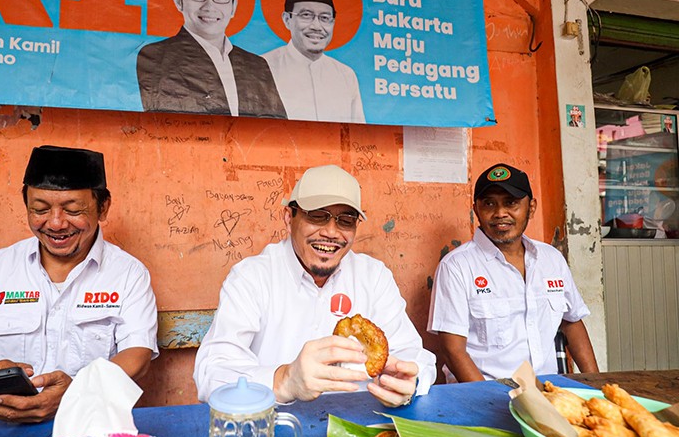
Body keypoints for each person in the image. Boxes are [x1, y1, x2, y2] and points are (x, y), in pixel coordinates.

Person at [0, 145, 159, 422]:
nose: (56, 223)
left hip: (88, 424)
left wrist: (77, 394)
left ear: (103, 207)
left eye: (73, 210)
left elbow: (137, 355)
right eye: (40, 209)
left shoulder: (128, 274)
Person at [194, 165, 436, 406]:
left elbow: (415, 356)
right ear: (289, 218)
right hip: (275, 427)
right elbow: (212, 371)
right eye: (317, 215)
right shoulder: (252, 277)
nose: (331, 232)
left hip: (360, 424)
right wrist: (284, 380)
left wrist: (409, 382)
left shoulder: (373, 277)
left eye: (345, 220)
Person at [427, 163, 599, 382]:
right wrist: (490, 401)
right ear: (476, 210)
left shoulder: (551, 259)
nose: (500, 213)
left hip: (551, 390)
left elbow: (572, 322)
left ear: (531, 207)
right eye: (489, 203)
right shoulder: (457, 266)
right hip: (489, 394)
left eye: (511, 203)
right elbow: (453, 351)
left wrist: (597, 385)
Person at [136, 0, 286, 119]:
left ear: (233, 6)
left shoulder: (256, 65)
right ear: (179, 1)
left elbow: (279, 129)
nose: (209, 6)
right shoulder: (157, 56)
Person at [263, 0, 365, 123]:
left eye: (325, 17)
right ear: (287, 19)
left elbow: (358, 137)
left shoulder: (346, 76)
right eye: (306, 15)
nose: (316, 26)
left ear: (333, 23)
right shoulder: (262, 68)